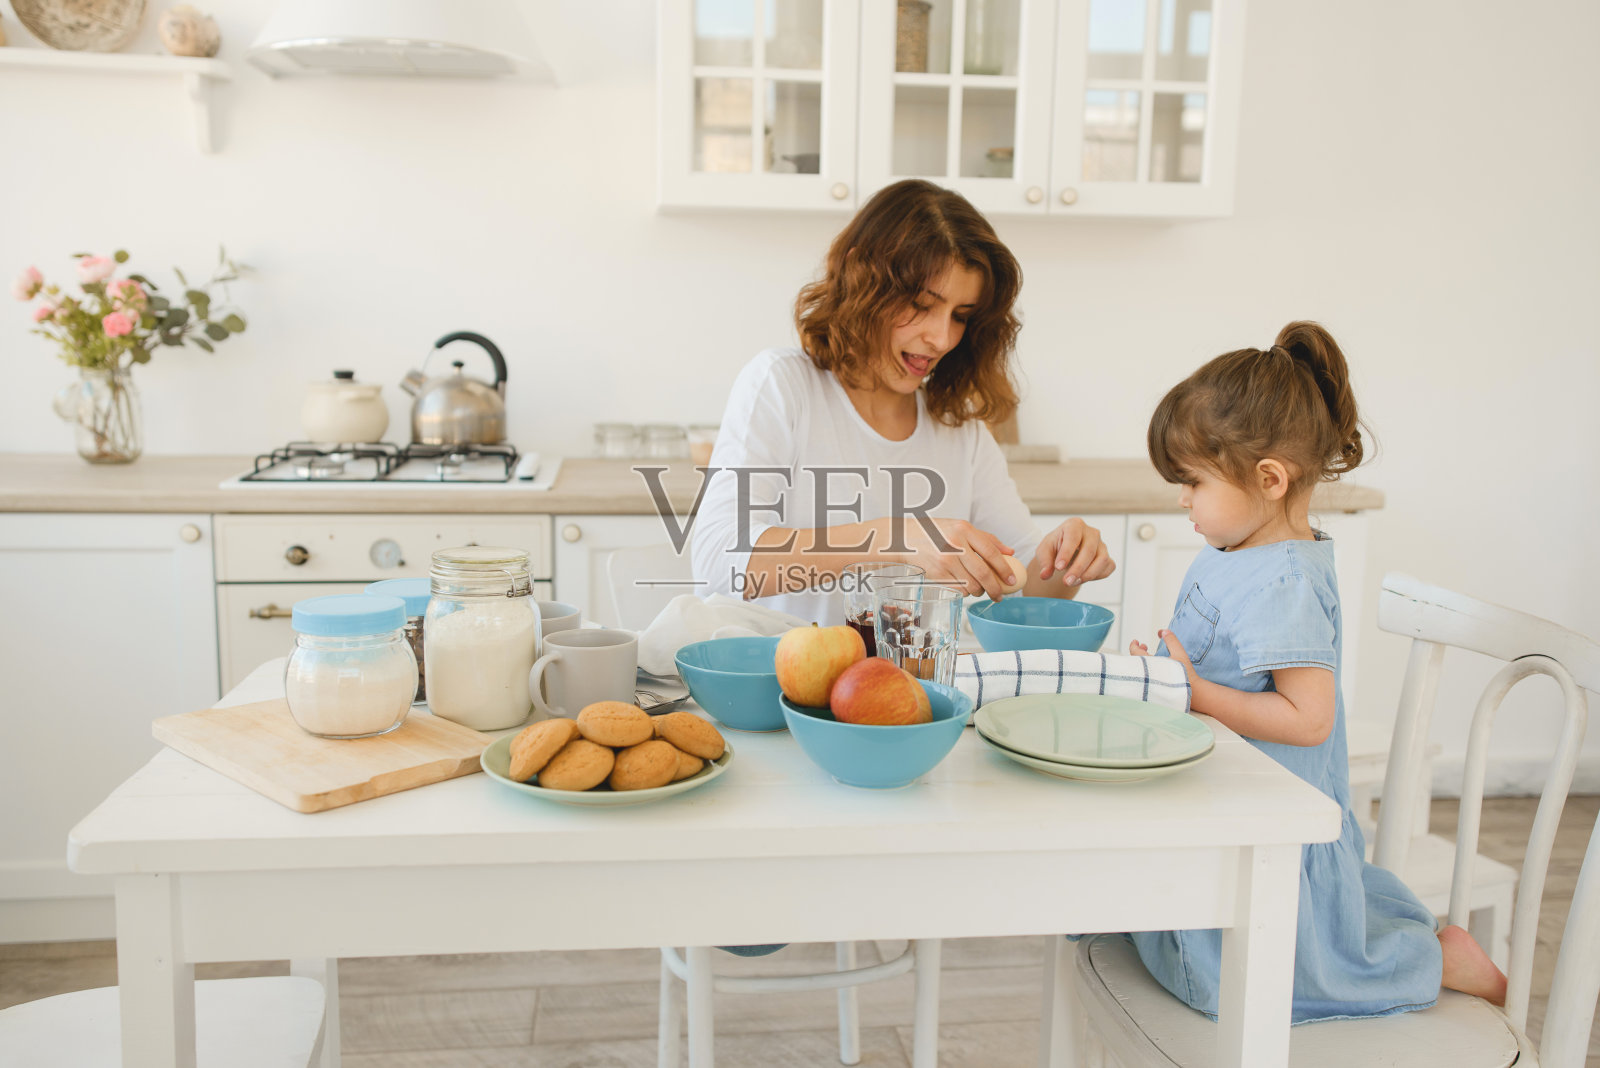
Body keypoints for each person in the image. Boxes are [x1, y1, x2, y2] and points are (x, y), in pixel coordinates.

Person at [1124, 320, 1507, 1021]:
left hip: (1270, 825)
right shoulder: (1239, 547)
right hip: (1228, 806)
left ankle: (1439, 959)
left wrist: (1195, 692)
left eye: (1194, 481)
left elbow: (1309, 719)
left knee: (1221, 985)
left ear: (1269, 479)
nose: (1183, 498)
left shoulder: (1284, 584)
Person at [691, 179, 1115, 622]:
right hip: (780, 683)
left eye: (961, 316)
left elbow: (1024, 589)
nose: (942, 337)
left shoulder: (958, 428)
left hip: (910, 686)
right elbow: (719, 563)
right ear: (862, 280)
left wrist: (1066, 559)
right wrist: (897, 540)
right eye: (921, 304)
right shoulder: (784, 385)